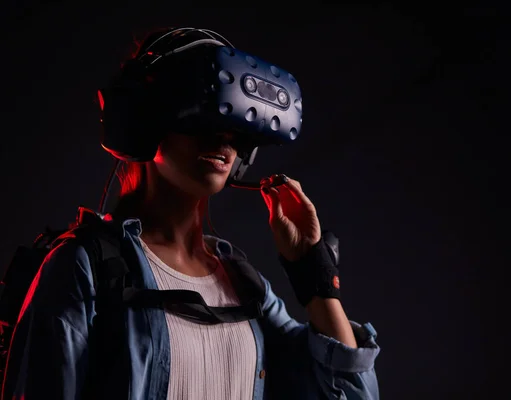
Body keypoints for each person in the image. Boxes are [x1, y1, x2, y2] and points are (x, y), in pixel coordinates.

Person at [1, 29, 380, 400]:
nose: (224, 140)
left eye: (235, 125)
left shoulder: (244, 284)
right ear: (141, 121)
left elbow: (349, 393)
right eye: (203, 114)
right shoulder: (84, 267)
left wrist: (314, 274)